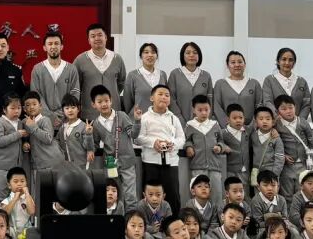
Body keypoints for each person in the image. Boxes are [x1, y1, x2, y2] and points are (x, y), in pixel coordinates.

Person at [136, 84, 185, 214]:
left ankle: (173, 222)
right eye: (160, 94)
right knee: (150, 196)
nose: (164, 97)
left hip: (171, 163)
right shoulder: (144, 117)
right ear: (152, 98)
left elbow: (182, 139)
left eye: (167, 95)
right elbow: (138, 138)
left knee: (173, 196)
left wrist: (172, 144)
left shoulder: (174, 118)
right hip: (150, 162)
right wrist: (153, 143)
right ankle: (148, 222)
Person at [91, 84, 138, 211]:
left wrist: (137, 121)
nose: (104, 104)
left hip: (127, 162)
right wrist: (88, 136)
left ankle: (131, 219)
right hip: (110, 164)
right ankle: (116, 217)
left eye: (106, 100)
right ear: (93, 104)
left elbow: (133, 134)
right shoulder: (96, 124)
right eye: (99, 102)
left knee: (130, 194)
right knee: (113, 193)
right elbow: (94, 145)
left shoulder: (121, 116)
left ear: (111, 100)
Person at [73, 23, 127, 122]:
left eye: (100, 35)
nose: (97, 38)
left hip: (114, 113)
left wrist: (112, 91)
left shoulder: (117, 59)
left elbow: (121, 82)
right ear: (89, 40)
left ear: (106, 37)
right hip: (89, 113)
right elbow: (75, 85)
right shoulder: (80, 60)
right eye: (93, 36)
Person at [184, 94, 227, 213]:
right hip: (197, 166)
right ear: (193, 110)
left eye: (206, 110)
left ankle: (218, 218)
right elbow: (186, 140)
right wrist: (188, 147)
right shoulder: (190, 125)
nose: (203, 113)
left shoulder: (215, 125)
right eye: (200, 110)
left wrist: (219, 147)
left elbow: (221, 141)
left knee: (217, 194)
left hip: (215, 167)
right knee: (199, 195)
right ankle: (198, 218)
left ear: (210, 109)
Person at [29, 30, 80, 125]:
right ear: (44, 47)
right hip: (43, 122)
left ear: (61, 46)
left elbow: (75, 94)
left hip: (67, 121)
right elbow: (36, 95)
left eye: (56, 43)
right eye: (50, 44)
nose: (53, 46)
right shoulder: (37, 69)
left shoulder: (71, 69)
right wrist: (50, 116)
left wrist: (62, 113)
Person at [273, 94, 313, 199]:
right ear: (278, 111)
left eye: (290, 107)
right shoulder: (276, 125)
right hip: (287, 167)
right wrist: (283, 156)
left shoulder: (303, 122)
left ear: (295, 107)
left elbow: (312, 142)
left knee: (302, 194)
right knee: (287, 194)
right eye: (284, 109)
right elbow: (273, 146)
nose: (288, 111)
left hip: (304, 164)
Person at [23, 91, 65, 192]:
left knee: (53, 192)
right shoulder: (25, 122)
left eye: (34, 104)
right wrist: (25, 144)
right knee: (41, 193)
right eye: (28, 105)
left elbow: (48, 138)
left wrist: (33, 126)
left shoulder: (45, 120)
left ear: (40, 106)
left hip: (51, 162)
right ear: (24, 109)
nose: (31, 107)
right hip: (39, 164)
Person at [0, 93, 23, 202]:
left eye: (19, 108)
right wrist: (17, 134)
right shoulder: (0, 122)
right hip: (2, 170)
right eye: (13, 108)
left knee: (15, 201)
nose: (16, 111)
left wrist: (25, 144)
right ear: (4, 109)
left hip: (16, 170)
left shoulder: (20, 122)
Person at [261, 48, 311, 126]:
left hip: (298, 127)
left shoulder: (302, 81)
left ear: (294, 63)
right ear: (278, 61)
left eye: (290, 60)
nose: (287, 63)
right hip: (277, 126)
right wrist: (277, 118)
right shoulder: (269, 80)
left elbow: (306, 104)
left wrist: (299, 122)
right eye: (284, 59)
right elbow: (267, 102)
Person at [167, 42, 213, 124]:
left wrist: (205, 120)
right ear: (183, 56)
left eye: (195, 53)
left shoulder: (206, 76)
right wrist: (180, 120)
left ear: (199, 56)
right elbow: (171, 99)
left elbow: (210, 101)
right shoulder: (175, 74)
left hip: (202, 123)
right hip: (179, 122)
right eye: (188, 53)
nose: (191, 55)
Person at [213, 51, 262, 127]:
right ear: (227, 65)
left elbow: (259, 105)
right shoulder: (220, 84)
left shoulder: (254, 83)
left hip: (251, 129)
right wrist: (228, 126)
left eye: (240, 62)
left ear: (244, 65)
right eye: (233, 62)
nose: (237, 65)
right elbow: (217, 107)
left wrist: (251, 126)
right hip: (227, 130)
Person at [123, 43, 168, 120]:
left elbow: (166, 98)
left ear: (156, 56)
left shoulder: (162, 74)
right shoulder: (133, 75)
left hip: (159, 120)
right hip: (139, 120)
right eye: (146, 52)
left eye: (153, 52)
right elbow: (127, 101)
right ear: (141, 56)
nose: (150, 55)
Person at [245, 106, 284, 195]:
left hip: (271, 173)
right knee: (258, 197)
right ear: (256, 122)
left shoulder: (276, 138)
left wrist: (274, 174)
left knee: (272, 196)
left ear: (273, 122)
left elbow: (280, 158)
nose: (264, 121)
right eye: (261, 119)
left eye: (268, 119)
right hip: (257, 173)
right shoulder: (252, 136)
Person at [56, 94, 93, 172]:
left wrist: (88, 134)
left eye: (73, 107)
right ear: (63, 111)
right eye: (67, 108)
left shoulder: (84, 126)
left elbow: (87, 147)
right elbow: (57, 143)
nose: (70, 110)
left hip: (82, 165)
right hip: (66, 166)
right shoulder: (62, 128)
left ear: (78, 109)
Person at [247, 170, 289, 237]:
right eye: (265, 185)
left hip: (280, 227)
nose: (270, 188)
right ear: (258, 187)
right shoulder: (256, 201)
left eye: (273, 185)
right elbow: (257, 223)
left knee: (293, 231)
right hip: (262, 228)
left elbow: (284, 218)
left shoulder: (282, 200)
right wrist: (275, 223)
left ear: (278, 186)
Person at [1, 167, 36, 239]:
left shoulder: (28, 198)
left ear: (26, 183)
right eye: (16, 181)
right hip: (10, 233)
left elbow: (32, 212)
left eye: (22, 181)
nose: (19, 184)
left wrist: (27, 193)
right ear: (9, 185)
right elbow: (4, 214)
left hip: (26, 232)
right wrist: (15, 198)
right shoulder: (6, 201)